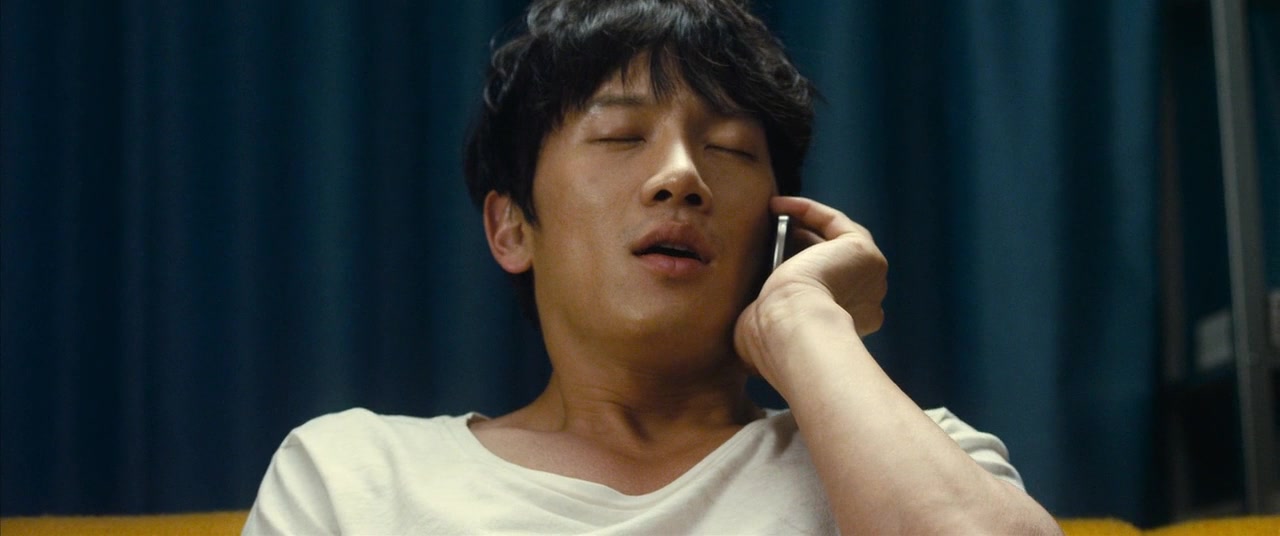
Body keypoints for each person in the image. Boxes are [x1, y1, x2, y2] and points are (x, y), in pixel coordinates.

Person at [244, 0, 1062, 534]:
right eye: (620, 137)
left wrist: (801, 321)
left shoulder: (912, 455)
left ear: (781, 226)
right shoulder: (354, 474)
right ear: (511, 227)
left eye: (729, 148)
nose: (681, 177)